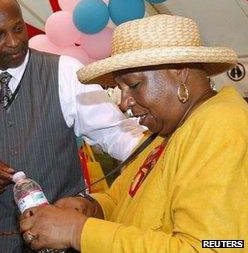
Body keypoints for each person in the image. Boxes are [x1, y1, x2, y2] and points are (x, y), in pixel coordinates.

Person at [19, 15, 248, 252]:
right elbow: (123, 199)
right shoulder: (166, 131)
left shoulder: (223, 127)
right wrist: (89, 208)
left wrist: (78, 231)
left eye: (135, 85)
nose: (125, 102)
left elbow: (217, 246)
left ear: (180, 70)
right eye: (121, 89)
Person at [0, 0, 143, 251]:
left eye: (18, 29)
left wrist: (159, 151)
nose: (14, 42)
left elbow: (114, 132)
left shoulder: (66, 71)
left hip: (61, 237)